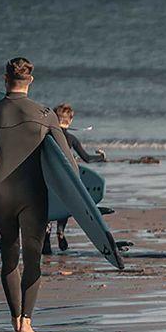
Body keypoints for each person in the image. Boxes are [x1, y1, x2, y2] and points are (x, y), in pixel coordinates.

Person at [0, 57, 79, 332]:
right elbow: (67, 163)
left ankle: (15, 319)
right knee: (33, 259)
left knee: (9, 259)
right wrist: (76, 200)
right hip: (33, 198)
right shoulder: (46, 114)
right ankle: (27, 321)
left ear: (5, 79)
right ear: (31, 81)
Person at [41, 103, 107, 255]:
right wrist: (101, 157)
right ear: (70, 121)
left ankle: (46, 237)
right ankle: (61, 231)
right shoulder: (71, 139)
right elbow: (87, 159)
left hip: (48, 176)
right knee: (64, 205)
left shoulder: (46, 136)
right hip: (66, 178)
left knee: (49, 206)